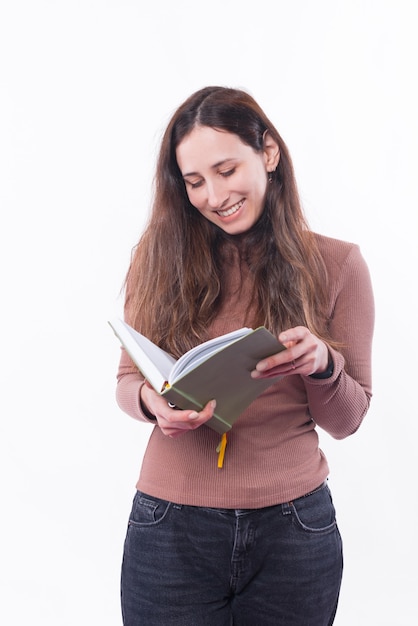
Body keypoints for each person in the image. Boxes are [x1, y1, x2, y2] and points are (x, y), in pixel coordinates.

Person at [114, 86, 374, 626]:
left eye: (227, 169)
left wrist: (323, 366)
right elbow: (124, 381)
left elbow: (348, 421)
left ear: (269, 154)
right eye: (194, 182)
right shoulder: (158, 259)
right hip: (170, 528)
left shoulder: (339, 265)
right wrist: (149, 401)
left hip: (294, 532)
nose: (214, 195)